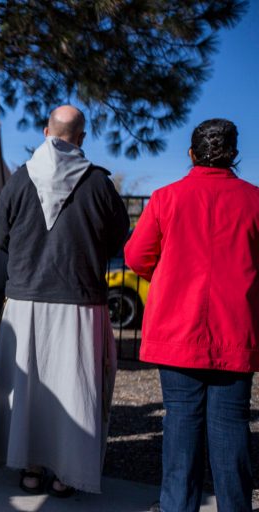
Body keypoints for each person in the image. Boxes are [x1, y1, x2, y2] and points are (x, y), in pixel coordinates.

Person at [0, 105, 129, 496]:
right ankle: (67, 473)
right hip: (80, 300)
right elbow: (118, 236)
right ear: (82, 138)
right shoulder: (99, 183)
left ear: (47, 132)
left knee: (28, 388)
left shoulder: (20, 178)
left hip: (26, 298)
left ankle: (29, 467)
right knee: (74, 389)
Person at [125, 119, 257, 512]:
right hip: (235, 327)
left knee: (181, 422)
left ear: (191, 153)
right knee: (231, 425)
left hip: (176, 326)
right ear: (234, 155)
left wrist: (169, 276)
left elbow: (136, 256)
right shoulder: (254, 200)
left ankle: (177, 507)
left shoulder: (166, 198)